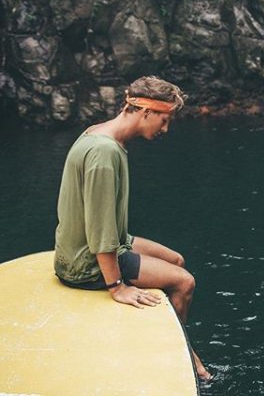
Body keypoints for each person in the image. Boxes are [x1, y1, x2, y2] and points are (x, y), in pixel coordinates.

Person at [54, 76, 212, 381]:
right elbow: (100, 232)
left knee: (176, 259)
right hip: (85, 261)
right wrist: (117, 287)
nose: (165, 129)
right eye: (164, 120)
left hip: (97, 243)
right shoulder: (104, 153)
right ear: (145, 112)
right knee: (184, 283)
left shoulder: (97, 133)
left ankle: (177, 339)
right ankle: (176, 354)